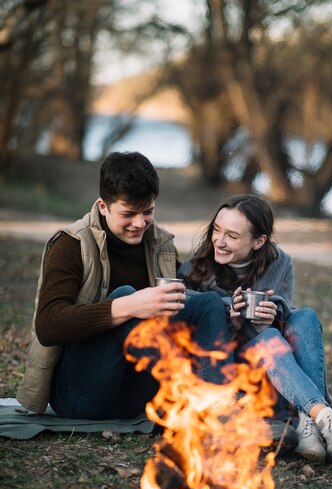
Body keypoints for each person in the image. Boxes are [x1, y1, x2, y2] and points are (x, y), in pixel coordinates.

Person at [16, 151, 234, 428]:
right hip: (80, 395)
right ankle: (190, 393)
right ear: (103, 206)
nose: (140, 223)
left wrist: (233, 307)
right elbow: (48, 326)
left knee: (208, 302)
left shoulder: (160, 244)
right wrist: (129, 306)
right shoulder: (71, 244)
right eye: (129, 214)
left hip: (137, 392)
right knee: (125, 295)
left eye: (148, 212)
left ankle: (218, 405)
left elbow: (189, 303)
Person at [178, 193, 332, 463]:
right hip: (230, 374)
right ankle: (323, 416)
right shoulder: (195, 270)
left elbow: (286, 314)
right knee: (268, 338)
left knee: (305, 317)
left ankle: (308, 425)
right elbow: (195, 342)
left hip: (273, 366)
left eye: (232, 235)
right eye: (216, 230)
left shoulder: (280, 263)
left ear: (259, 241)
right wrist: (234, 319)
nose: (219, 240)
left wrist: (271, 318)